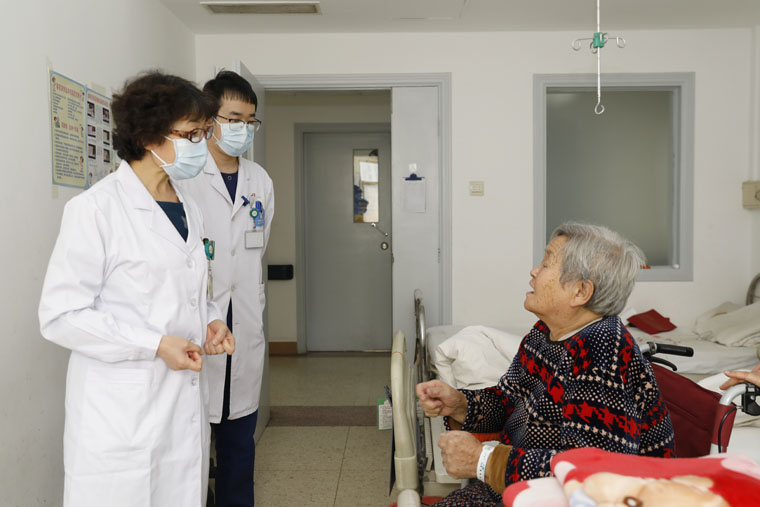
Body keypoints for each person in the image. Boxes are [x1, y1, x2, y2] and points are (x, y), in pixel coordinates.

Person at [39, 71, 235, 507]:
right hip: (122, 415)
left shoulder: (188, 205)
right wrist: (155, 344)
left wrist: (210, 319)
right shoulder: (96, 210)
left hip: (180, 404)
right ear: (149, 137)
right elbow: (61, 316)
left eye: (204, 132)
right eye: (191, 134)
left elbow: (188, 290)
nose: (201, 144)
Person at [416, 222, 676, 506]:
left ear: (580, 291)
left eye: (546, 264)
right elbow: (508, 401)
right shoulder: (546, 332)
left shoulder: (601, 352)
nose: (533, 271)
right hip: (522, 489)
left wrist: (484, 461)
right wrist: (460, 404)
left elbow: (594, 475)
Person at [175, 70, 273, 507]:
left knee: (239, 440)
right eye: (234, 119)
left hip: (244, 319)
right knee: (193, 442)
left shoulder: (260, 180)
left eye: (250, 121)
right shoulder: (185, 176)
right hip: (199, 319)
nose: (243, 130)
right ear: (209, 120)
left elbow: (256, 247)